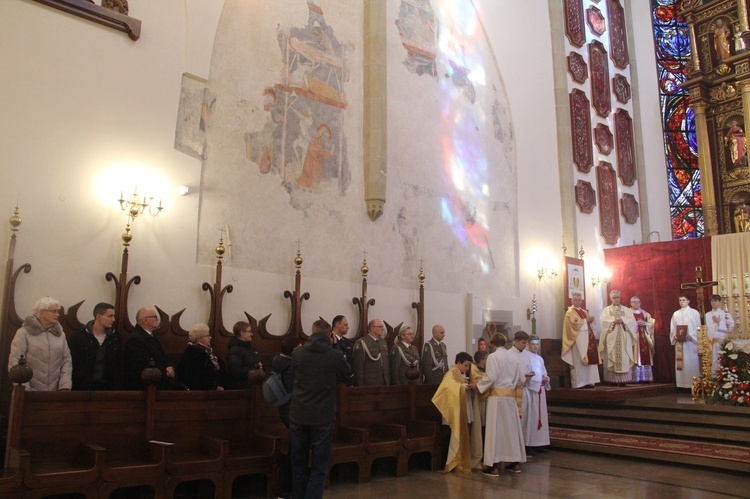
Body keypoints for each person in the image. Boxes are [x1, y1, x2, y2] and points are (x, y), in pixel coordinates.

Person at [289, 319, 351, 499]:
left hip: (298, 414)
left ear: (312, 332)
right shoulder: (333, 355)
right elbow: (346, 373)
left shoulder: (298, 352)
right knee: (319, 467)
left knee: (298, 464)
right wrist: (336, 347)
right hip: (322, 416)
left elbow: (294, 371)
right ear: (329, 334)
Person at [478, 333, 526, 476]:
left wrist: (478, 386)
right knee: (510, 431)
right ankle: (514, 463)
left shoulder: (493, 357)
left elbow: (491, 377)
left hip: (497, 399)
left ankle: (492, 466)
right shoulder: (513, 357)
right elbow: (521, 380)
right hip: (510, 400)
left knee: (495, 431)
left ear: (492, 344)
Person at [431, 352, 483, 473]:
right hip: (454, 410)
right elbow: (446, 388)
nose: (467, 368)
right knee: (453, 435)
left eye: (469, 366)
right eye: (465, 365)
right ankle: (453, 461)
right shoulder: (450, 374)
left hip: (464, 407)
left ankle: (463, 459)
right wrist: (462, 387)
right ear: (458, 363)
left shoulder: (460, 373)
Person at [8, 297, 72, 391]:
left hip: (54, 395)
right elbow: (15, 362)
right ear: (42, 313)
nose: (57, 314)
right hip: (27, 394)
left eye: (57, 311)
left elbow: (66, 361)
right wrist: (24, 390)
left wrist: (64, 388)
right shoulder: (24, 333)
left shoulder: (60, 335)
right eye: (54, 311)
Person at [68, 302, 122, 390]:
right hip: (83, 388)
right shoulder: (80, 337)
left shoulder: (115, 338)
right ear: (98, 316)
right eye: (110, 316)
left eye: (113, 316)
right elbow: (72, 363)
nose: (113, 319)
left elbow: (118, 364)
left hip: (108, 388)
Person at [273, 335, 300, 499]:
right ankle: (288, 490)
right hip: (292, 410)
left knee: (294, 449)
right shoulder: (290, 366)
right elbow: (295, 388)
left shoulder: (278, 361)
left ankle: (288, 489)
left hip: (285, 409)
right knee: (295, 452)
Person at [123, 307, 174, 390]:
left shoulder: (153, 335)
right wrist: (165, 372)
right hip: (145, 387)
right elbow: (142, 364)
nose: (157, 319)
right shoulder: (135, 339)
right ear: (145, 320)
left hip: (159, 382)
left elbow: (163, 354)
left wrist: (170, 366)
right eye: (154, 317)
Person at [561, 292, 601, 389]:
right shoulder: (569, 312)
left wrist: (591, 320)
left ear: (581, 301)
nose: (577, 302)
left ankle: (590, 381)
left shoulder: (584, 311)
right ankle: (580, 383)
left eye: (579, 300)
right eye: (575, 300)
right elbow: (572, 325)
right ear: (572, 300)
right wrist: (585, 321)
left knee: (590, 362)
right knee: (579, 362)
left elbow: (589, 324)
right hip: (577, 341)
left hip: (589, 339)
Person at [599, 290, 637, 385]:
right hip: (612, 337)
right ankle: (612, 380)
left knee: (624, 356)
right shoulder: (606, 310)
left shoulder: (627, 310)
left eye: (618, 297)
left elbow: (632, 321)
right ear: (611, 299)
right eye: (614, 298)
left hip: (624, 338)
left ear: (620, 298)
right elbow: (603, 322)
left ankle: (623, 380)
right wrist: (614, 321)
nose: (616, 299)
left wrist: (623, 320)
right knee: (612, 356)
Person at [521, 335, 551, 457]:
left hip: (540, 392)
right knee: (532, 419)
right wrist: (538, 380)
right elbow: (527, 375)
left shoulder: (540, 359)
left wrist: (546, 379)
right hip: (531, 392)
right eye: (533, 344)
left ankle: (540, 443)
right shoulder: (525, 357)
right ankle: (529, 444)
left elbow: (544, 373)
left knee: (541, 417)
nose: (535, 347)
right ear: (528, 344)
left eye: (537, 344)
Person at [176, 323, 225, 390]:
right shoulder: (193, 351)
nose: (210, 338)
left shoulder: (207, 350)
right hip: (202, 391)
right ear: (199, 338)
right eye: (207, 336)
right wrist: (214, 387)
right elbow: (196, 376)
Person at [669, 294, 702, 389]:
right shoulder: (676, 314)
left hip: (691, 343)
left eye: (683, 300)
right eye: (680, 300)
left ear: (688, 301)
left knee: (691, 363)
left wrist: (690, 335)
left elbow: (698, 326)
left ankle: (694, 385)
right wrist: (675, 335)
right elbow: (672, 328)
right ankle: (681, 384)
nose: (682, 302)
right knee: (681, 363)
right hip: (680, 343)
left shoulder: (694, 313)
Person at [352, 318, 390, 386]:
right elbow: (358, 368)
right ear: (372, 328)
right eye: (380, 327)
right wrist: (361, 387)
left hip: (385, 383)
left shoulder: (383, 342)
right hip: (370, 384)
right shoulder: (362, 343)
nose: (383, 329)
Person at [226, 321, 263, 389]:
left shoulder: (251, 347)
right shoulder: (235, 350)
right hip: (242, 387)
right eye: (249, 331)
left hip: (254, 385)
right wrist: (254, 369)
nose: (251, 334)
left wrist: (260, 366)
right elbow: (235, 372)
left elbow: (257, 360)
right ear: (242, 333)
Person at [705, 294, 734, 375]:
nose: (713, 303)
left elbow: (731, 327)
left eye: (716, 301)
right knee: (711, 363)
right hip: (710, 343)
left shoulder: (725, 314)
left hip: (720, 343)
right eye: (712, 301)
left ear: (720, 302)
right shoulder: (707, 315)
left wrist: (719, 322)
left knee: (720, 362)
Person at [630, 296, 656, 382]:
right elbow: (625, 325)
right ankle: (634, 378)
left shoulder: (645, 313)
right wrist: (635, 324)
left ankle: (646, 378)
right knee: (634, 355)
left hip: (644, 337)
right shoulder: (628, 313)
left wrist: (644, 323)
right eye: (634, 302)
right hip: (633, 338)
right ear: (630, 303)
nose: (636, 303)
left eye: (637, 302)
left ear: (640, 303)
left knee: (644, 354)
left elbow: (651, 324)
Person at [331, 315, 354, 386]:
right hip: (334, 381)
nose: (348, 327)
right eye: (345, 325)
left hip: (347, 380)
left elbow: (350, 362)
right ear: (337, 324)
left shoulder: (347, 342)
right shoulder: (329, 340)